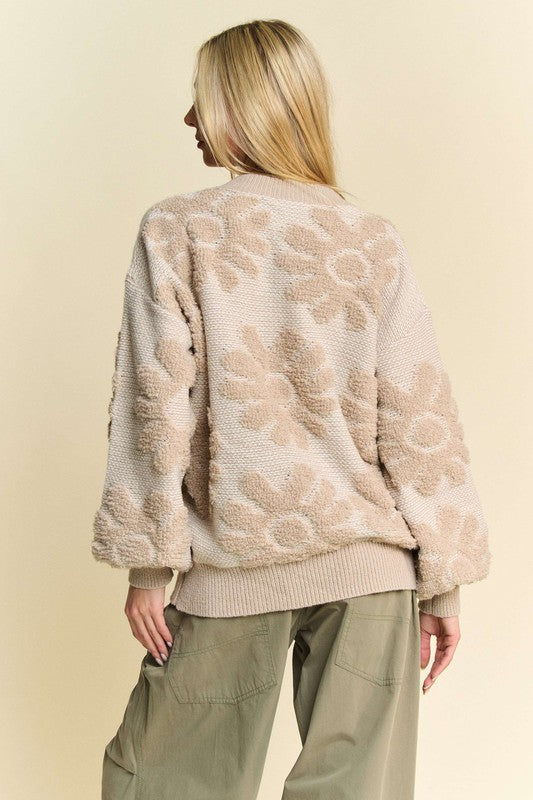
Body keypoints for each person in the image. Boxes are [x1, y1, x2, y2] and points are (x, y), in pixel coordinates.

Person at [92, 18, 491, 800]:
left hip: (235, 558)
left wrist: (150, 564)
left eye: (202, 99)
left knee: (164, 783)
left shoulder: (177, 229)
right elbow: (419, 415)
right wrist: (442, 583)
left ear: (241, 106)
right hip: (373, 570)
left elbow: (155, 402)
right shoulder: (371, 238)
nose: (188, 119)